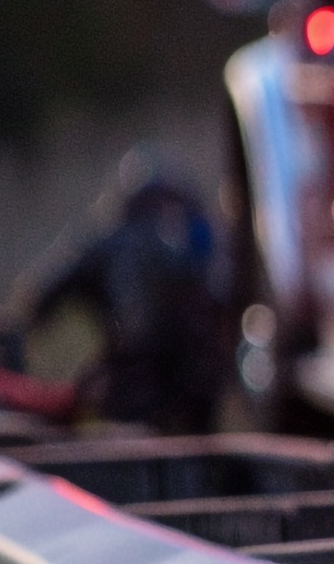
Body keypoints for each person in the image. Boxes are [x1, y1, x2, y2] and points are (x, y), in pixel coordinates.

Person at [25, 157, 230, 434]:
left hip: (158, 377)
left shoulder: (105, 245)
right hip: (167, 378)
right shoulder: (191, 240)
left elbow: (38, 297)